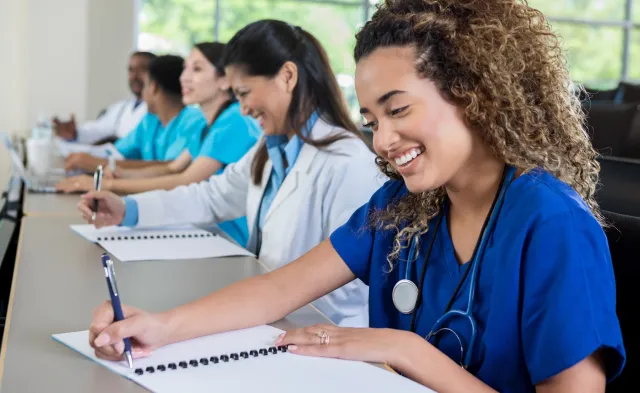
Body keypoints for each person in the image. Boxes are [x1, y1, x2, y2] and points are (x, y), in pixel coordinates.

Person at [88, 3, 627, 392]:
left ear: (474, 94)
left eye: (397, 110)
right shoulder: (405, 204)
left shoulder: (551, 223)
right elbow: (280, 289)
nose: (383, 140)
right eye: (371, 119)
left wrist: (407, 351)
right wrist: (160, 326)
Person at [79, 20, 382, 327]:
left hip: (316, 331)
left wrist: (259, 303)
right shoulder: (271, 148)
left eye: (244, 92)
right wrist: (128, 209)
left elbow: (349, 288)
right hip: (267, 318)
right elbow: (211, 197)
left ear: (288, 76)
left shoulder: (347, 162)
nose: (243, 108)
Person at [57, 42, 261, 246]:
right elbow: (172, 167)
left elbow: (187, 179)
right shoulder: (207, 124)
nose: (184, 78)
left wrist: (108, 185)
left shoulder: (233, 121)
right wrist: (121, 176)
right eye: (185, 69)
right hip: (200, 228)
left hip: (226, 237)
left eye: (197, 69)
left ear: (225, 80)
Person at [63, 55, 208, 173]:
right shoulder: (150, 121)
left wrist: (98, 164)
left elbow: (173, 167)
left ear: (153, 87)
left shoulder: (194, 121)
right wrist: (84, 158)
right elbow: (117, 153)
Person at [53, 51, 156, 145]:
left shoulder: (158, 110)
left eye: (141, 70)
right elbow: (99, 129)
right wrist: (75, 133)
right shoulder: (122, 107)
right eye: (131, 70)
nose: (134, 76)